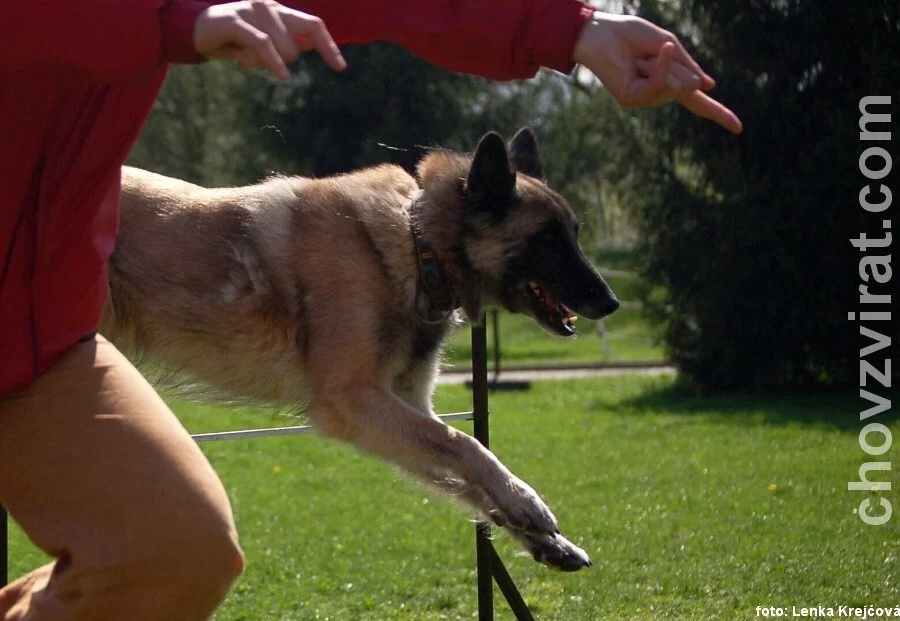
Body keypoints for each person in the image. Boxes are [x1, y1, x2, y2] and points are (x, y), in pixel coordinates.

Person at [0, 1, 742, 619]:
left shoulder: (404, 263)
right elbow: (349, 400)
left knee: (182, 554)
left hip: (49, 307)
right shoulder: (349, 250)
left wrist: (574, 30)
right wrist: (171, 19)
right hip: (55, 286)